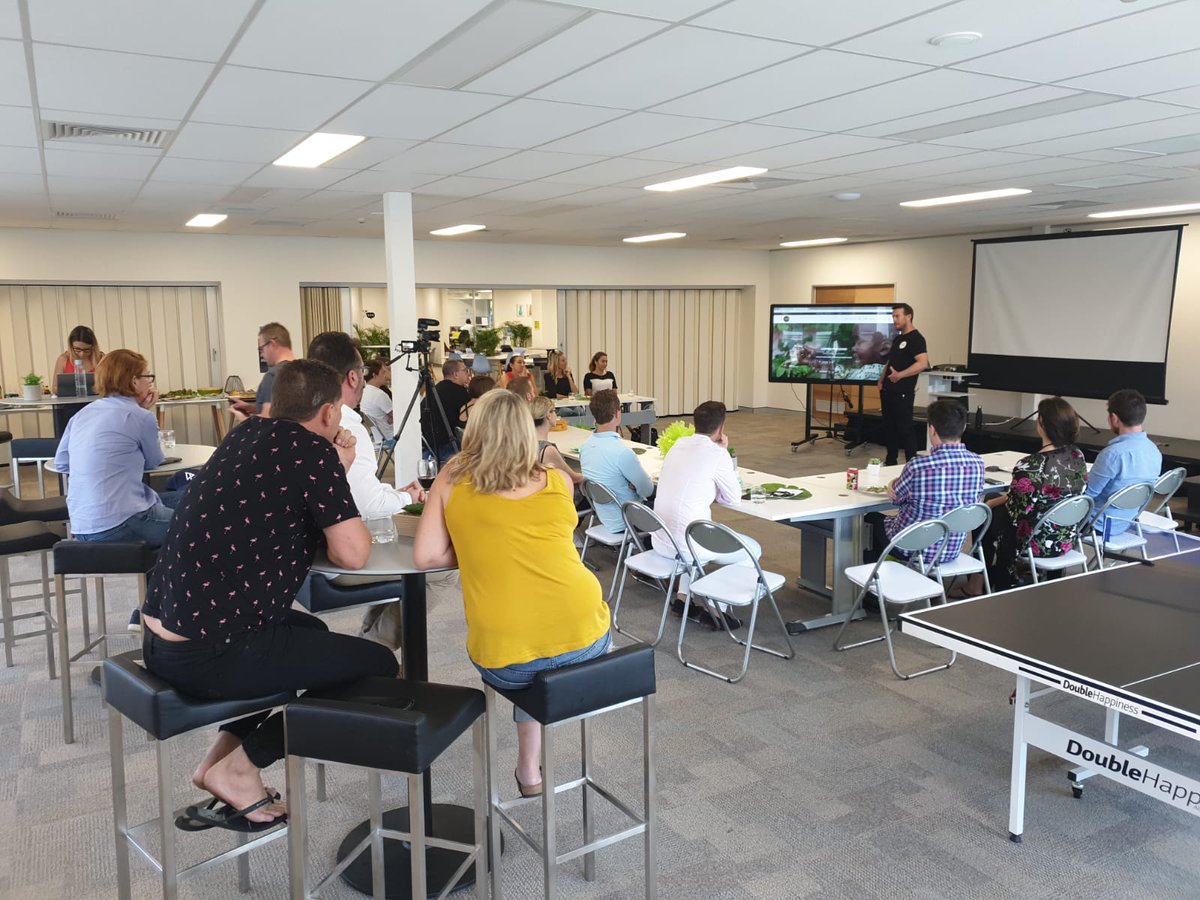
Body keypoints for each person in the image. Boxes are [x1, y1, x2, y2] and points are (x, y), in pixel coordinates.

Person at [141, 360, 400, 828]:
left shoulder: (246, 434)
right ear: (326, 412)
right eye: (339, 411)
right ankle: (244, 769)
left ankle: (216, 764)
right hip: (213, 651)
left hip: (163, 636)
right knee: (379, 666)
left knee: (311, 630)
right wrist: (334, 467)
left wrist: (329, 469)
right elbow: (353, 554)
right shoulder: (312, 453)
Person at [413, 389, 610, 798]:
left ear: (475, 430)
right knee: (540, 644)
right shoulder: (557, 480)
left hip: (507, 655)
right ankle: (528, 769)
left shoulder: (452, 477)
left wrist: (473, 543)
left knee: (527, 655)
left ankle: (528, 768)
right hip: (587, 637)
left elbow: (427, 555)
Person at [53, 349, 175, 546]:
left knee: (175, 502)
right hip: (121, 523)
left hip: (81, 524)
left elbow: (62, 464)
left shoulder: (82, 414)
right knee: (199, 523)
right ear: (134, 381)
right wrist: (143, 411)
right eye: (148, 377)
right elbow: (154, 462)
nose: (150, 383)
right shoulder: (141, 417)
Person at [650, 401, 750, 630]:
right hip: (687, 546)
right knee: (749, 552)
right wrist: (722, 451)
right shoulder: (717, 454)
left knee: (692, 533)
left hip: (661, 540)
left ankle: (683, 600)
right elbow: (734, 497)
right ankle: (717, 610)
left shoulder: (678, 445)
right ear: (721, 428)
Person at [307, 331, 424, 519]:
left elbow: (356, 490)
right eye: (363, 371)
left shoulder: (303, 418)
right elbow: (369, 507)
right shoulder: (347, 431)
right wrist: (409, 498)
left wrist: (395, 494)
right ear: (353, 377)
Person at [978, 396, 1088, 592]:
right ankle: (1045, 576)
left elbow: (1015, 512)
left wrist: (989, 505)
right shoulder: (1077, 455)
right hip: (1065, 537)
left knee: (985, 514)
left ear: (1041, 424)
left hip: (1034, 541)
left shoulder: (1031, 465)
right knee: (994, 502)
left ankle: (986, 579)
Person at [864, 399, 985, 567]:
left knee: (871, 519)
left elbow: (896, 499)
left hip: (911, 548)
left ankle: (876, 587)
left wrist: (893, 482)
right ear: (963, 427)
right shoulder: (977, 463)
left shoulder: (918, 466)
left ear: (932, 429)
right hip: (952, 548)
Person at [1086, 388, 1162, 538]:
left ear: (1114, 418)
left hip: (1097, 524)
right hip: (1126, 522)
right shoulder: (1154, 451)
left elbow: (1087, 496)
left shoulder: (1113, 454)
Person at [578, 389, 653, 533]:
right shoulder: (622, 453)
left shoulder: (585, 447)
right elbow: (647, 490)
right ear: (618, 414)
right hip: (628, 519)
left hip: (605, 516)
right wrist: (630, 484)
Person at [878, 303, 928, 466]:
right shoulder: (898, 338)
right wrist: (881, 379)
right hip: (888, 390)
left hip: (903, 392)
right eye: (893, 316)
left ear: (908, 316)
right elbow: (890, 361)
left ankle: (911, 464)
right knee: (889, 428)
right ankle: (890, 461)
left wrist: (900, 375)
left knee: (905, 429)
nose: (894, 320)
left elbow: (922, 363)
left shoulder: (916, 339)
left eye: (897, 316)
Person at [231, 322, 295, 417]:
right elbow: (286, 414)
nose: (261, 354)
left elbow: (268, 422)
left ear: (272, 344)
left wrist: (244, 420)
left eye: (261, 349)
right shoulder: (304, 373)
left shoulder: (272, 377)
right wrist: (254, 408)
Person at [421, 357, 472, 465]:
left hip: (428, 445)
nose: (468, 373)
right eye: (465, 370)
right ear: (455, 374)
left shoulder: (435, 389)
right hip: (447, 446)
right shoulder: (459, 393)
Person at [530, 396, 583, 490]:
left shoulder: (526, 443)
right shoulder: (547, 450)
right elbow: (573, 478)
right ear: (548, 415)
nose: (556, 414)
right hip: (560, 497)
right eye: (554, 410)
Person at [360, 357, 393, 445]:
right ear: (374, 375)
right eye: (383, 372)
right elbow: (397, 417)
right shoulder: (379, 395)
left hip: (378, 436)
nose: (385, 375)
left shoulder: (364, 391)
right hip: (391, 436)